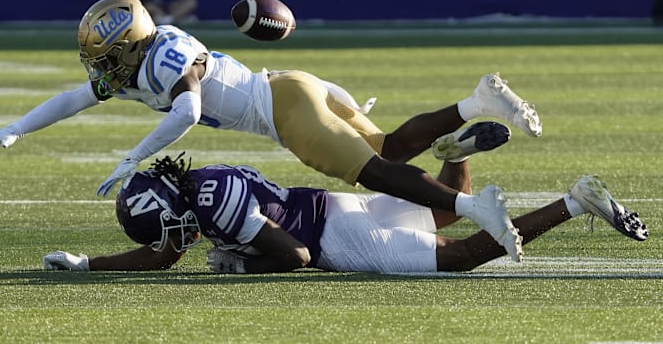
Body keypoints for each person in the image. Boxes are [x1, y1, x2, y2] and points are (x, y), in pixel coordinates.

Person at [0, 0, 542, 260]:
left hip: (286, 112)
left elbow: (188, 112)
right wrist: (17, 128)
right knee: (388, 146)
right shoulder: (141, 61)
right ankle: (474, 103)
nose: (100, 68)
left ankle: (474, 212)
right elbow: (73, 97)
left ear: (132, 43)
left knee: (375, 172)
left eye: (107, 54)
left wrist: (132, 156)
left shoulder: (164, 58)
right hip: (291, 84)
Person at [42, 146, 648, 274]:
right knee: (445, 215)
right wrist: (88, 264)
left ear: (174, 203)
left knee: (459, 257)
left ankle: (575, 201)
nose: (177, 236)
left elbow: (296, 255)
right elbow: (164, 255)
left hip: (337, 238)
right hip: (335, 205)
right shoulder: (197, 185)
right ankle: (457, 148)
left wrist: (241, 265)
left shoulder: (212, 203)